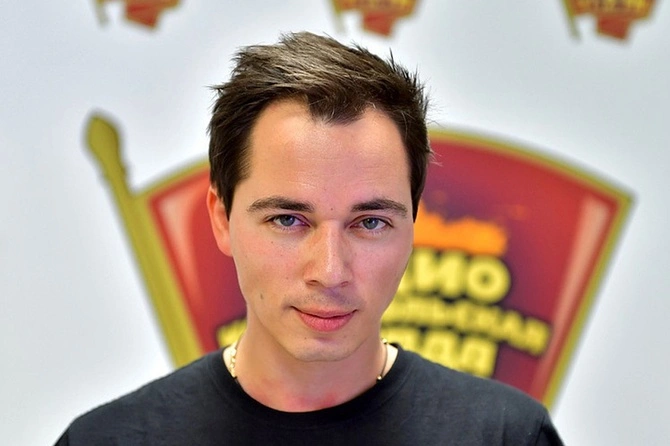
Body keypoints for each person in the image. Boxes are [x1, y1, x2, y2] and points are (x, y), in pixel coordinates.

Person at [56, 31, 563, 445]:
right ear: (221, 218)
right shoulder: (108, 441)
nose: (330, 271)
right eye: (288, 220)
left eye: (370, 222)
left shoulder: (505, 436)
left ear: (412, 225)